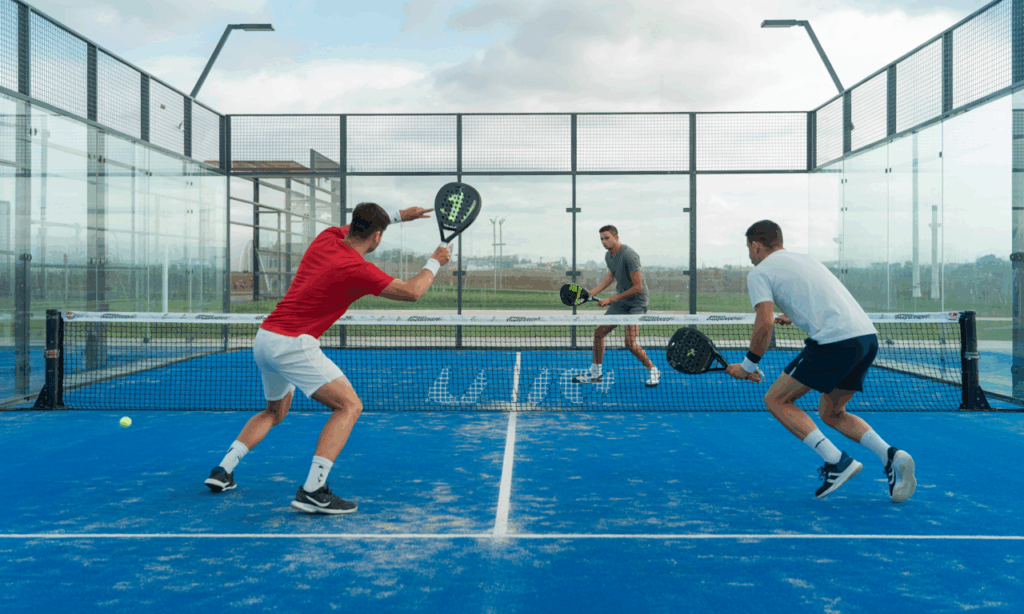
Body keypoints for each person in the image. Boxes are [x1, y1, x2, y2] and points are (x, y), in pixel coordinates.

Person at [204, 202, 449, 515]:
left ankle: (222, 471)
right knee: (349, 406)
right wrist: (436, 260)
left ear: (353, 225)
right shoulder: (359, 269)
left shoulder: (327, 237)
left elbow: (362, 225)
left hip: (265, 338)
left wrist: (400, 215)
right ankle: (313, 490)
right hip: (293, 344)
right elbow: (413, 291)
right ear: (377, 236)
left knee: (274, 411)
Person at [726, 220, 916, 502]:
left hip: (835, 342)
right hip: (865, 339)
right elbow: (820, 294)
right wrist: (795, 313)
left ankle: (836, 461)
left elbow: (764, 323)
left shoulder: (759, 273)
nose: (749, 256)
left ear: (756, 246)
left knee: (776, 399)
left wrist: (748, 366)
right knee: (832, 412)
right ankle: (891, 456)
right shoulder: (805, 259)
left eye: (749, 249)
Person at [573, 225, 660, 388]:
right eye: (601, 239)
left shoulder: (629, 255)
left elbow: (638, 287)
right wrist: (592, 292)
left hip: (637, 302)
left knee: (630, 343)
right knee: (599, 333)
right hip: (621, 302)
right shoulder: (609, 256)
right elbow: (611, 276)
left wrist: (611, 299)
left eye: (607, 238)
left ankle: (653, 369)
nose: (604, 242)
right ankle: (596, 373)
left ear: (616, 237)